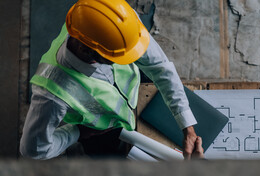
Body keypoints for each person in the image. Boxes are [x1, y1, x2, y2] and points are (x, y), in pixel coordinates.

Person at [20, 0, 204, 160]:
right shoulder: (51, 96)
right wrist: (77, 132)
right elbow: (34, 150)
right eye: (119, 57)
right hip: (100, 132)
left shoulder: (118, 22)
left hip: (131, 94)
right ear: (87, 51)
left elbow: (160, 67)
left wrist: (187, 127)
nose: (131, 57)